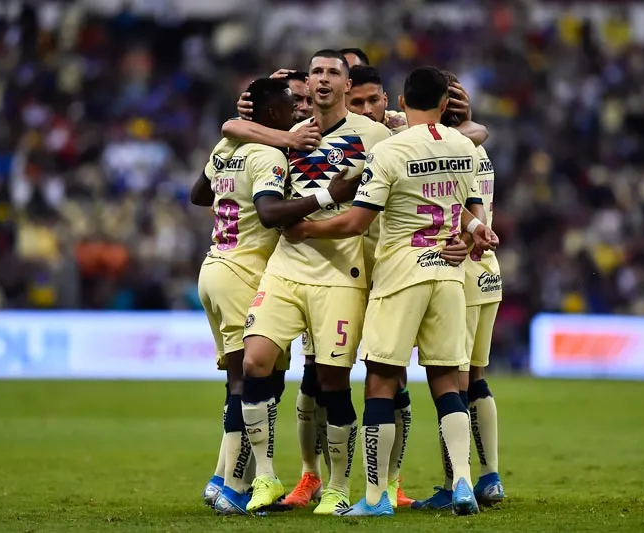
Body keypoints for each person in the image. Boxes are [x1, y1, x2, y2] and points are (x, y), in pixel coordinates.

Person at [283, 66, 498, 517]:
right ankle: (461, 480)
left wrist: (307, 228)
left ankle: (377, 496)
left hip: (401, 273)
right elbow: (469, 207)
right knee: (446, 380)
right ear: (443, 104)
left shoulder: (391, 150)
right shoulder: (465, 147)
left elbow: (357, 222)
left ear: (400, 101)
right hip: (448, 276)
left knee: (381, 379)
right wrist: (477, 228)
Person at [191, 77, 360, 515]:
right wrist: (326, 193)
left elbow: (198, 194)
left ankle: (229, 478)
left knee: (248, 380)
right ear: (272, 115)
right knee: (249, 381)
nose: (298, 113)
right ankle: (231, 484)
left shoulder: (228, 145)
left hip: (215, 265)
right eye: (291, 105)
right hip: (246, 271)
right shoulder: (270, 153)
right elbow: (268, 213)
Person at [236, 49, 392, 515]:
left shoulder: (375, 135)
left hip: (341, 273)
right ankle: (265, 477)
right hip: (286, 266)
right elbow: (233, 130)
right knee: (256, 361)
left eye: (332, 73)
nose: (323, 79)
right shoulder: (288, 134)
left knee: (333, 383)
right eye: (316, 72)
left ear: (348, 85)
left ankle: (337, 486)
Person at [412, 71, 505, 511]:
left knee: (455, 381)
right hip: (487, 270)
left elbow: (463, 213)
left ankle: (459, 483)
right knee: (477, 376)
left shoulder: (443, 151)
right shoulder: (477, 149)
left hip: (460, 269)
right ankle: (490, 477)